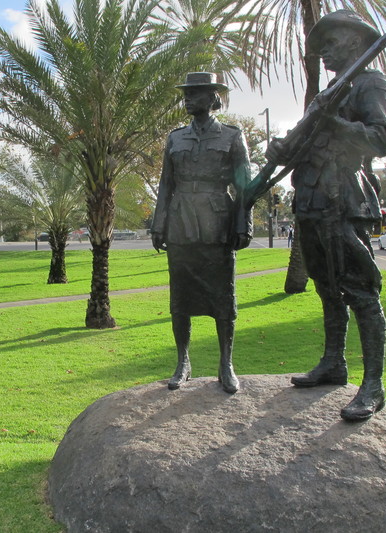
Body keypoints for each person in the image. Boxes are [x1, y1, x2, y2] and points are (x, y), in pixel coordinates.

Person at [266, 10, 386, 421]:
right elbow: (305, 144)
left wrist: (334, 123)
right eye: (320, 46)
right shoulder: (332, 90)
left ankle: (373, 384)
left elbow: (380, 139)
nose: (323, 52)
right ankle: (333, 363)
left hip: (343, 199)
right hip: (311, 198)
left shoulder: (369, 83)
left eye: (332, 43)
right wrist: (283, 150)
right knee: (326, 286)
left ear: (357, 42)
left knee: (360, 290)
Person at [151, 72, 253, 394]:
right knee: (180, 299)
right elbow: (166, 184)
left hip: (217, 224)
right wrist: (158, 223)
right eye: (186, 93)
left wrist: (243, 224)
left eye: (195, 93)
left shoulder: (232, 136)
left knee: (223, 297)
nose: (188, 99)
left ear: (212, 98)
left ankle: (226, 363)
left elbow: (244, 187)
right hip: (181, 223)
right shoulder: (175, 138)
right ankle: (183, 361)